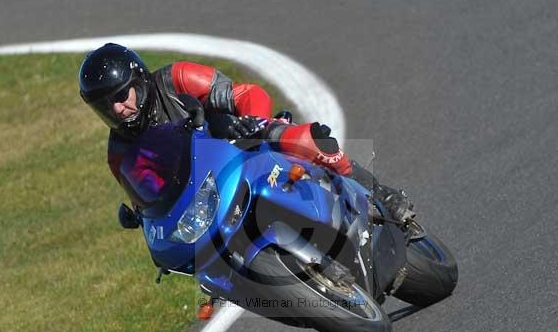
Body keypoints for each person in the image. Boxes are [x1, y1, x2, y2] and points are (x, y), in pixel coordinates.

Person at [78, 43, 415, 222]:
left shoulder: (176, 79)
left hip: (242, 142)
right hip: (210, 191)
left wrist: (251, 123)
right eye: (106, 106)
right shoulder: (119, 152)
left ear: (138, 82)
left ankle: (377, 193)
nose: (118, 109)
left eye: (121, 96)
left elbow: (244, 94)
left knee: (303, 138)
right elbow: (149, 196)